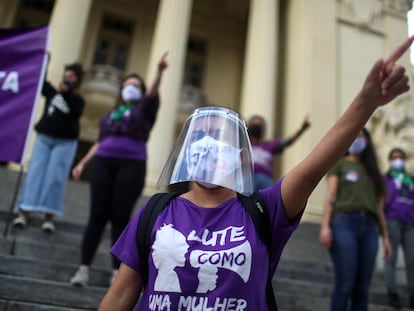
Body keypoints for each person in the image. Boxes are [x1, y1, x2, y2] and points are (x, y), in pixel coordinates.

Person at [98, 36, 414, 311]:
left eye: (221, 140)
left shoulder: (265, 209)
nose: (209, 147)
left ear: (238, 157)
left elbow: (313, 166)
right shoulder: (156, 211)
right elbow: (122, 293)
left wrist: (365, 103)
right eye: (201, 138)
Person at [69, 52, 168, 287]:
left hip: (131, 164)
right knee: (97, 216)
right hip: (104, 161)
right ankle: (83, 268)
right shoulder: (111, 115)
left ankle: (117, 272)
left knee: (120, 217)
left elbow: (152, 93)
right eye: (126, 85)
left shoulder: (144, 110)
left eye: (134, 85)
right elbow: (100, 141)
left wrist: (159, 72)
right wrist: (83, 162)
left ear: (141, 91)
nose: (129, 88)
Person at [319, 127, 392, 311]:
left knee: (363, 289)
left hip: (369, 227)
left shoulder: (374, 173)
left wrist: (386, 237)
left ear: (367, 142)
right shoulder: (340, 164)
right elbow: (331, 196)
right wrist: (325, 225)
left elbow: (379, 208)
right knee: (345, 283)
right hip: (344, 223)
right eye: (354, 136)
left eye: (360, 136)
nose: (357, 140)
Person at [12, 62, 85, 233]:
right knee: (35, 173)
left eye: (71, 76)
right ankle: (24, 211)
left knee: (55, 178)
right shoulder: (53, 92)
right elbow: (41, 83)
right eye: (66, 75)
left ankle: (49, 216)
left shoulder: (78, 100)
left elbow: (75, 112)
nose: (67, 78)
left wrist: (67, 94)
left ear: (78, 80)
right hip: (44, 137)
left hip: (65, 142)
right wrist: (44, 62)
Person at [383, 147, 414, 309]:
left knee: (412, 260)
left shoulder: (411, 179)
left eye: (401, 157)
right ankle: (392, 291)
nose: (398, 160)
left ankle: (412, 293)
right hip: (392, 221)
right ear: (389, 160)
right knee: (391, 257)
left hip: (410, 224)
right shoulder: (385, 178)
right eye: (395, 157)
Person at [247, 114, 310, 191]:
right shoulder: (243, 145)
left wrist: (301, 130)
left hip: (265, 180)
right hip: (247, 178)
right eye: (254, 125)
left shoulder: (269, 145)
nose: (256, 127)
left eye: (259, 125)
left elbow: (287, 142)